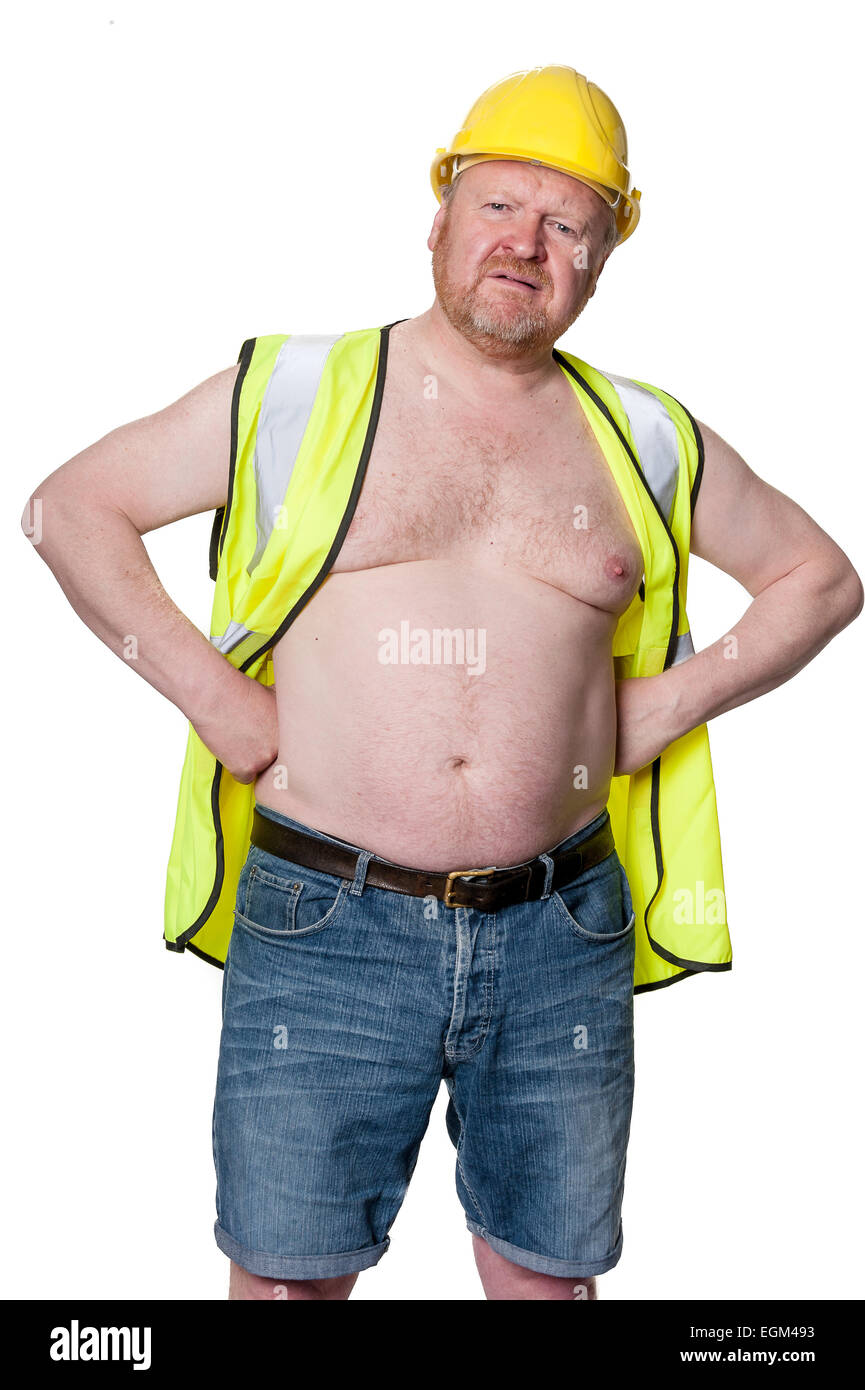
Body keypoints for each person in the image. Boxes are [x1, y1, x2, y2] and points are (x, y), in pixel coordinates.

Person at [22, 65, 863, 1302]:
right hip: (327, 918)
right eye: (498, 207)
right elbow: (68, 508)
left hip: (559, 926)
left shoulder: (646, 436)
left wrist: (658, 711)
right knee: (290, 1282)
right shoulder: (296, 393)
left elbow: (819, 579)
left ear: (602, 256)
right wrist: (215, 699)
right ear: (439, 216)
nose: (526, 244)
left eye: (567, 223)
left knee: (545, 1284)